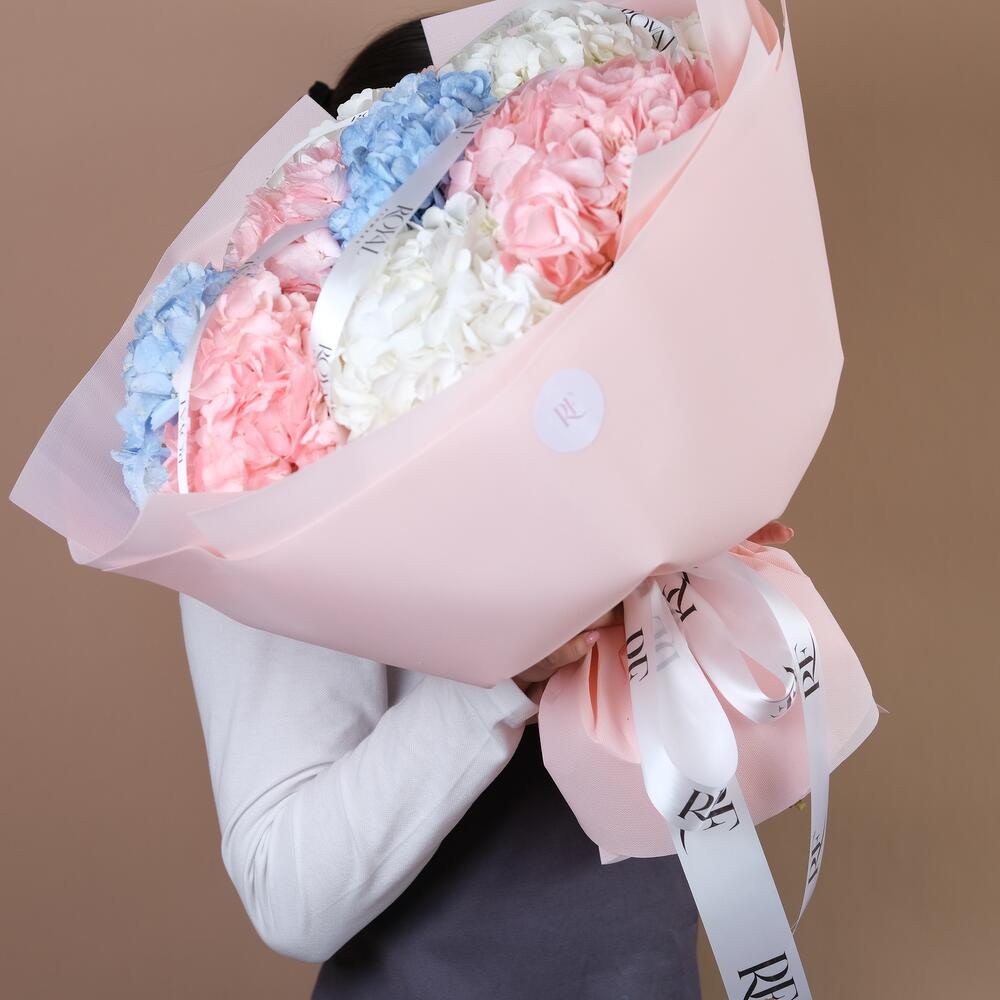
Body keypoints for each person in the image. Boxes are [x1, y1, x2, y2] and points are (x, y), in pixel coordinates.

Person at [180, 18, 795, 999]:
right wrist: (506, 667)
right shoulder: (266, 466)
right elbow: (288, 893)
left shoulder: (601, 419)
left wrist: (713, 581)